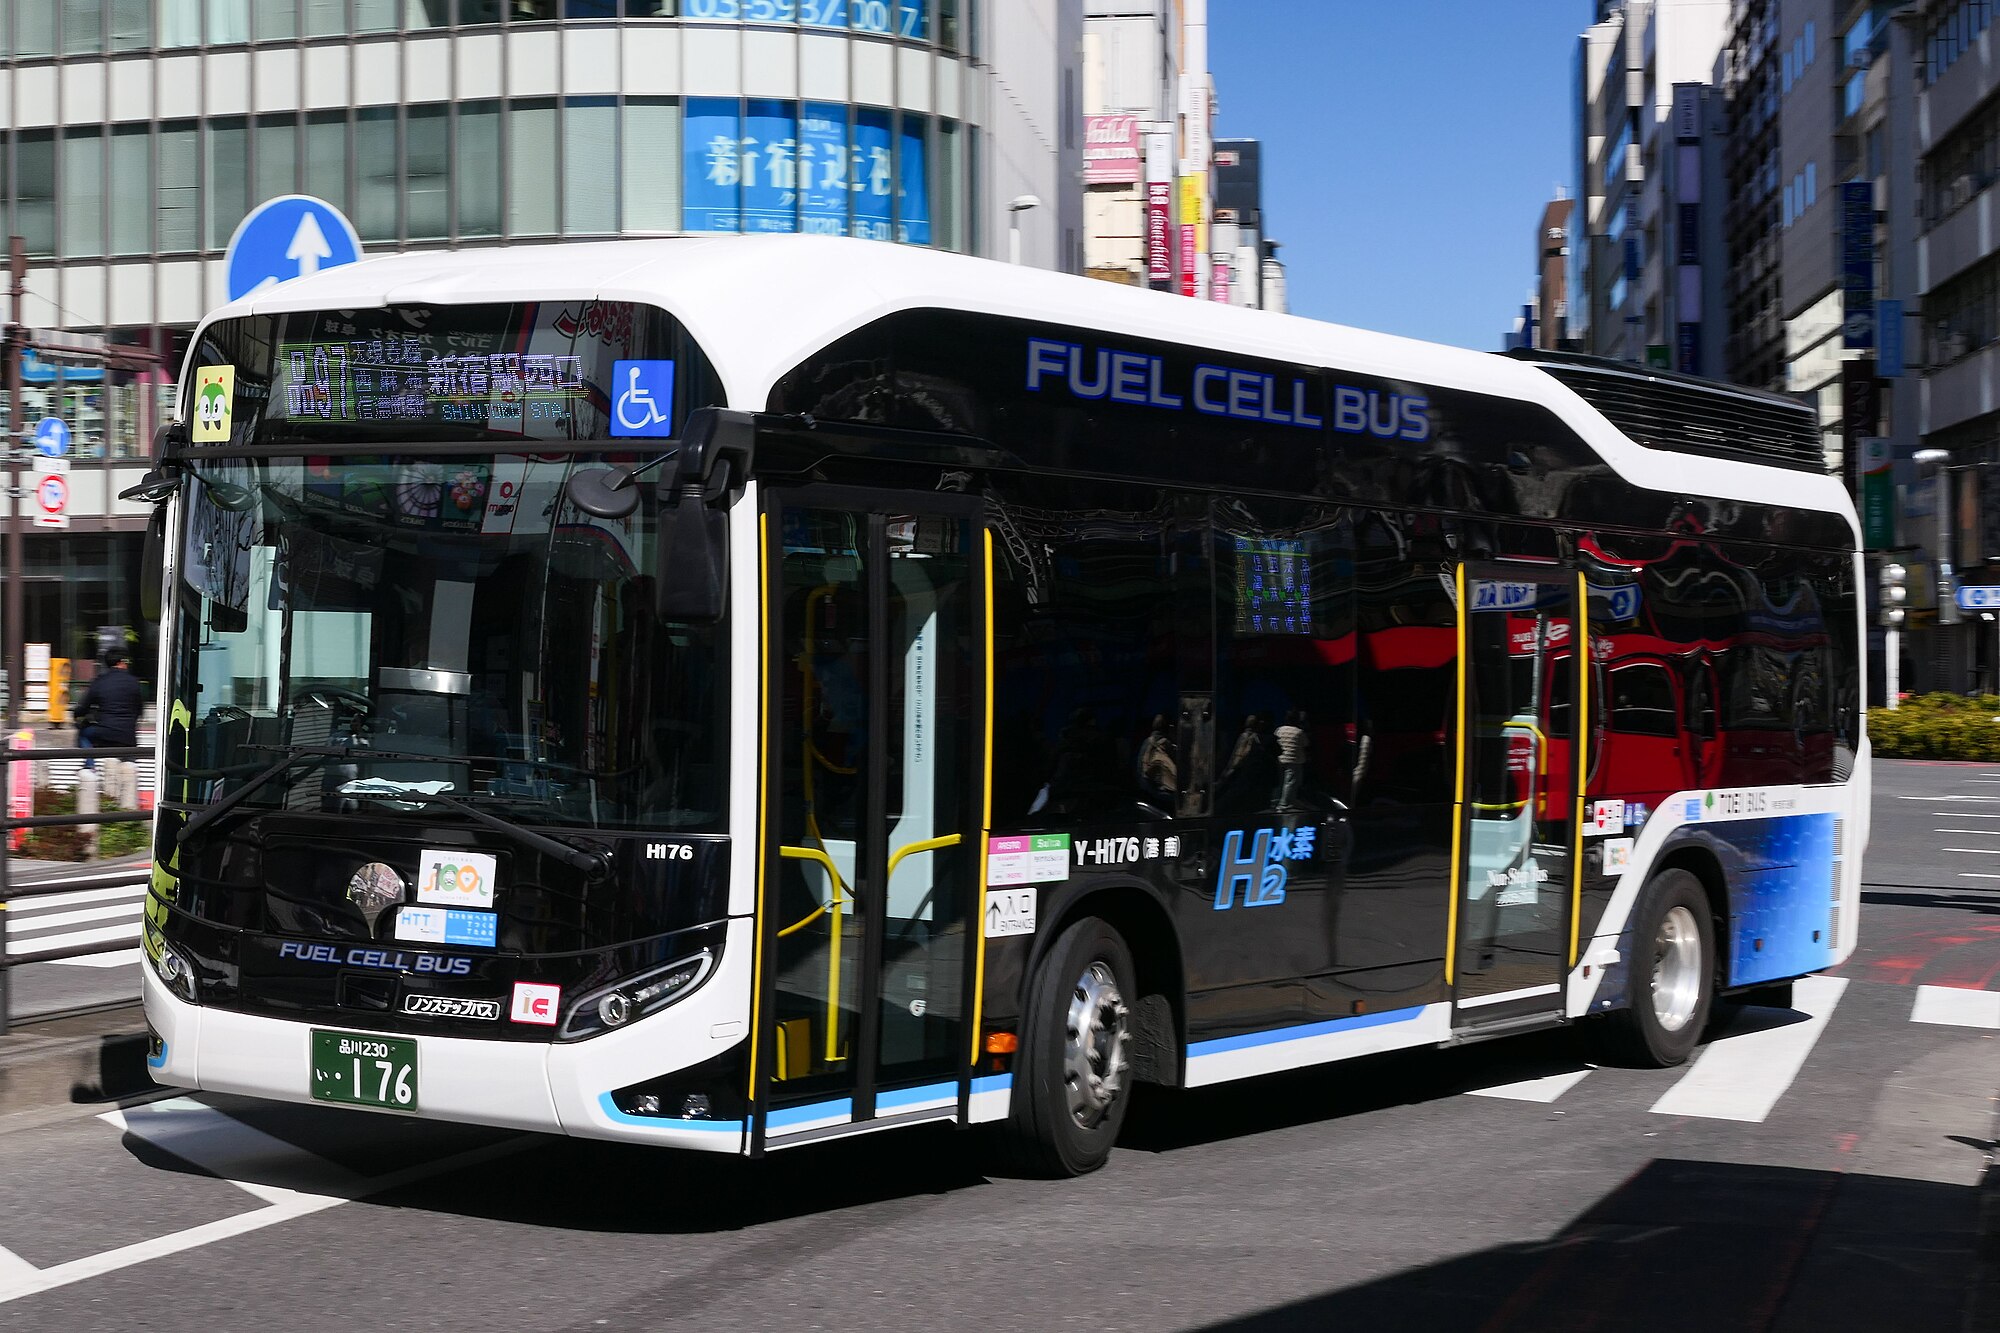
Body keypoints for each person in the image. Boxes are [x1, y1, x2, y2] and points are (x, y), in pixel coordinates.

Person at [75, 648, 143, 769]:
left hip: (104, 734)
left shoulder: (100, 681)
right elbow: (139, 710)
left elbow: (83, 707)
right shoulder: (134, 682)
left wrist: (77, 716)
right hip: (128, 737)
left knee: (84, 734)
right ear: (121, 662)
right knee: (129, 762)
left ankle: (90, 768)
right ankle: (130, 766)